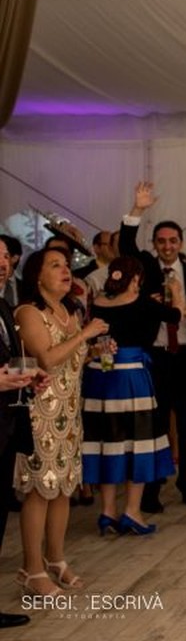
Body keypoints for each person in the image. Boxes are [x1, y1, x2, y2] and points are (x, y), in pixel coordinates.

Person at [118, 182, 186, 511]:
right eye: (161, 241)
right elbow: (126, 244)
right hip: (156, 357)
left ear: (181, 243)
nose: (167, 246)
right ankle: (152, 492)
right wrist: (138, 209)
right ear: (155, 245)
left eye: (173, 241)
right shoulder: (144, 269)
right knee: (155, 426)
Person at [15, 249, 108, 595]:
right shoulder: (29, 313)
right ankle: (31, 568)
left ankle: (56, 559)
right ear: (36, 276)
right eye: (55, 265)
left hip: (68, 414)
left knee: (64, 489)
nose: (65, 270)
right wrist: (85, 336)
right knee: (39, 490)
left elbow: (72, 361)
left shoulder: (70, 312)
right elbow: (48, 358)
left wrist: (95, 351)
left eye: (67, 265)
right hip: (39, 413)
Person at [84, 256, 179, 535]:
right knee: (139, 441)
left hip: (100, 376)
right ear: (135, 278)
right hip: (132, 376)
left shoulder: (98, 303)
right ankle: (132, 511)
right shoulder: (145, 304)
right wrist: (178, 295)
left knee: (107, 440)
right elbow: (174, 317)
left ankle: (107, 511)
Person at [0, 243, 35, 626]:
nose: (2, 267)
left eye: (5, 261)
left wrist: (28, 377)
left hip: (7, 423)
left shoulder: (3, 307)